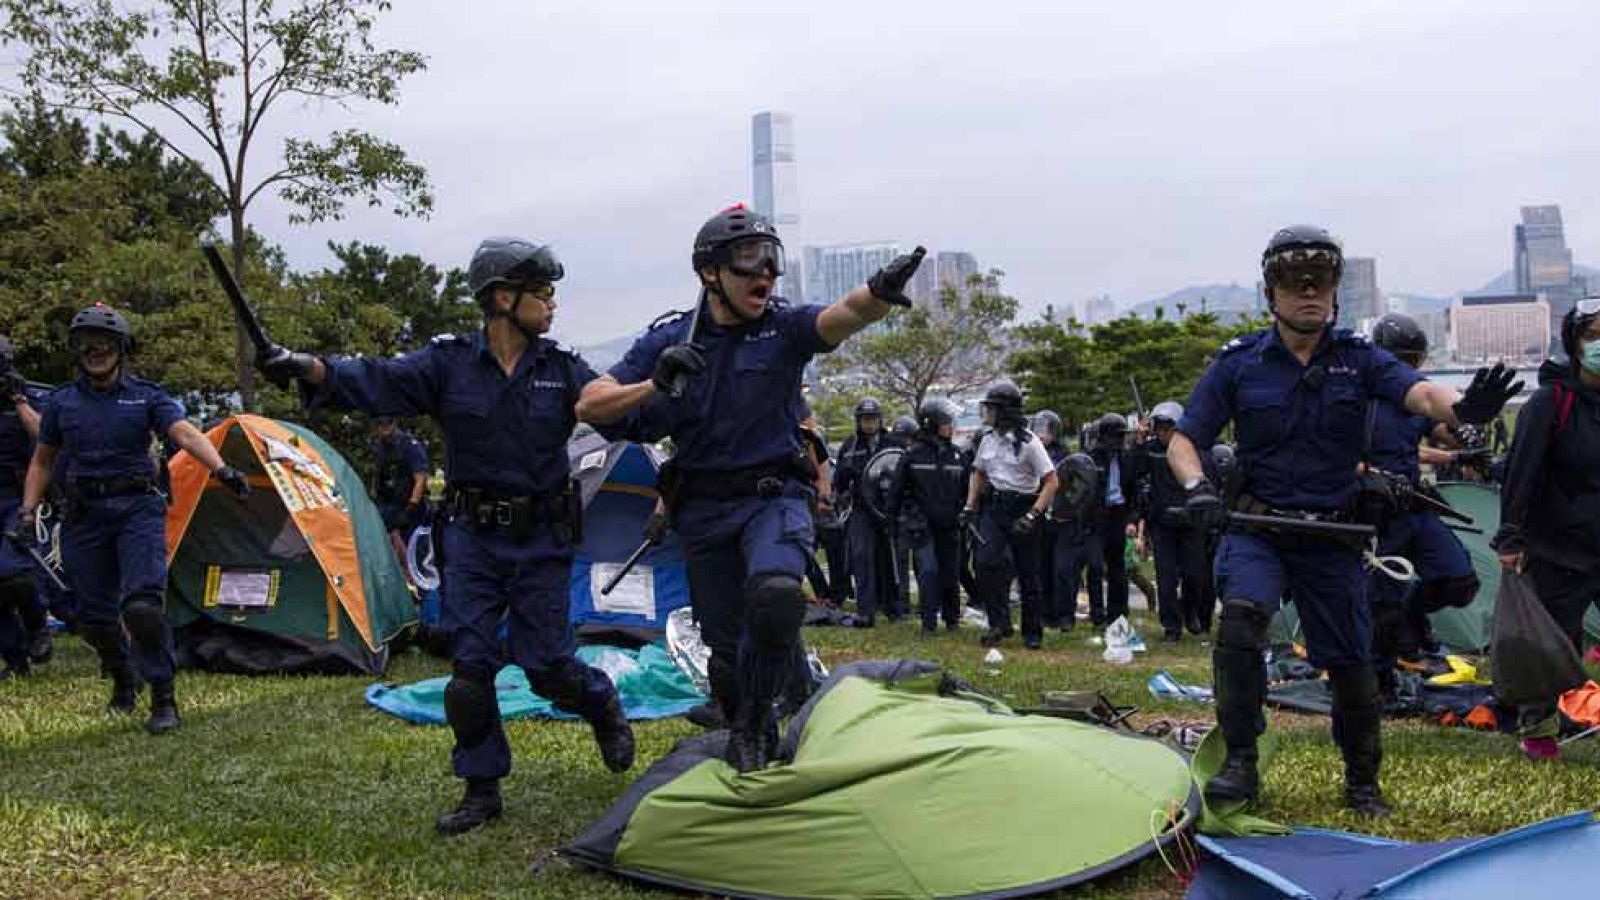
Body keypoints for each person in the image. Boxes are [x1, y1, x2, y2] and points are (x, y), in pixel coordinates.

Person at [257, 237, 638, 835]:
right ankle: (481, 787)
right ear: (503, 298)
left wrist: (658, 388)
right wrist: (308, 366)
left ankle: (600, 704)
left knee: (548, 667)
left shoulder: (561, 367)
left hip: (541, 539)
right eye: (541, 291)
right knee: (470, 671)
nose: (552, 302)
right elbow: (374, 379)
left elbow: (608, 405)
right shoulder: (448, 364)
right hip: (473, 538)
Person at [1167, 225, 1520, 817]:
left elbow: (1421, 395)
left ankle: (1362, 779)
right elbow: (1185, 438)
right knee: (1241, 625)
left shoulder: (1361, 361)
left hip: (1333, 534)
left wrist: (1465, 410)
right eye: (1292, 282)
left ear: (1335, 291)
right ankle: (1241, 763)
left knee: (1353, 660)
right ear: (1270, 292)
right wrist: (1196, 487)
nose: (1308, 292)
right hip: (1260, 528)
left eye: (1321, 282)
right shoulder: (1238, 364)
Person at [575, 204, 923, 771]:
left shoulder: (781, 328)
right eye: (747, 264)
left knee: (777, 596)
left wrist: (878, 294)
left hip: (772, 498)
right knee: (724, 644)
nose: (764, 275)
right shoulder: (669, 338)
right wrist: (653, 383)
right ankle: (746, 721)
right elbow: (592, 404)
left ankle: (759, 717)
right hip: (705, 507)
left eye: (772, 263)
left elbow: (837, 317)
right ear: (710, 272)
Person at [19, 304, 250, 730]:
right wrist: (28, 509)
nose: (96, 350)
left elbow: (182, 432)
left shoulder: (147, 396)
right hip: (83, 514)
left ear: (122, 348)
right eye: (86, 343)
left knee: (142, 607)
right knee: (91, 619)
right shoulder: (61, 404)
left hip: (137, 510)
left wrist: (220, 468)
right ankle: (123, 674)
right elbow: (42, 460)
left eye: (104, 343)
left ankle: (163, 696)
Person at [1494, 298, 1600, 759]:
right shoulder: (1551, 402)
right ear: (1575, 343)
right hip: (1560, 546)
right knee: (1551, 638)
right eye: (1594, 334)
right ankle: (1538, 732)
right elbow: (1522, 470)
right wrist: (1511, 535)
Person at [1364, 314, 1479, 698]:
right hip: (1375, 512)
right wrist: (1371, 473)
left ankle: (1413, 621)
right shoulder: (1357, 400)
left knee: (1459, 580)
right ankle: (1379, 682)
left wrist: (1465, 432)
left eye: (1414, 360)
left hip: (1415, 505)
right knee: (1382, 604)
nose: (1408, 368)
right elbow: (1328, 454)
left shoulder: (1417, 396)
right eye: (1401, 360)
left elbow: (1440, 431)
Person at [961, 380, 1060, 648]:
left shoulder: (1030, 443)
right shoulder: (987, 440)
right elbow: (978, 473)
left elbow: (1051, 481)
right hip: (994, 507)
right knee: (983, 563)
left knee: (1028, 572)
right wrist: (970, 506)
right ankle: (998, 623)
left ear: (1006, 411)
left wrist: (1033, 515)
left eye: (993, 409)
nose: (988, 414)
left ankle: (1032, 632)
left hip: (1024, 507)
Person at [890, 398, 967, 633]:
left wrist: (964, 514)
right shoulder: (913, 455)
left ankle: (952, 620)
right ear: (932, 424)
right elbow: (897, 490)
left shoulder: (958, 455)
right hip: (921, 526)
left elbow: (966, 490)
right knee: (928, 570)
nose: (950, 426)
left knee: (950, 571)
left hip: (950, 525)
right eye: (946, 422)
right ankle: (928, 621)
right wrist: (896, 520)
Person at [1135, 400, 1210, 641]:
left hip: (1191, 523)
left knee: (1194, 574)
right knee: (1166, 578)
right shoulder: (1151, 449)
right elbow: (1132, 471)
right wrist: (1139, 441)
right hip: (1163, 524)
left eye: (1169, 428)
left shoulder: (1192, 448)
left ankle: (1190, 613)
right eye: (1160, 427)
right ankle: (1171, 626)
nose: (1164, 433)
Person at [0, 338, 49, 680]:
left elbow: (47, 437)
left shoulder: (26, 396)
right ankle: (16, 662)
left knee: (13, 571)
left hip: (16, 496)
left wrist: (17, 398)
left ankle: (38, 627)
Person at [835, 398, 894, 627]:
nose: (869, 424)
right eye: (865, 420)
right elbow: (838, 484)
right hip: (860, 509)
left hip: (888, 509)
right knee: (861, 557)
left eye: (873, 419)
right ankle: (865, 609)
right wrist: (845, 475)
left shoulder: (892, 443)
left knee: (889, 559)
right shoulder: (849, 447)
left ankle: (892, 606)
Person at [1089, 412, 1138, 625]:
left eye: (1122, 437)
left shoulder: (1127, 459)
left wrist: (1132, 519)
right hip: (1096, 516)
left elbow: (1134, 492)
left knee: (1118, 566)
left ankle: (1118, 613)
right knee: (1095, 566)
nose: (1120, 442)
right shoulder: (1092, 458)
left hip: (1118, 513)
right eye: (1116, 437)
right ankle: (1097, 613)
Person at [370, 417, 430, 575]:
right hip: (387, 506)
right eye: (380, 424)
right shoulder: (380, 447)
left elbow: (421, 478)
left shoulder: (409, 445)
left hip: (410, 509)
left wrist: (411, 506)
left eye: (387, 423)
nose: (383, 428)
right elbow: (378, 476)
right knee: (389, 556)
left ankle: (421, 591)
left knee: (415, 554)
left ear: (394, 423)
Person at [1031, 410, 1070, 628]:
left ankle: (1061, 612)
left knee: (1061, 568)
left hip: (1059, 516)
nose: (1042, 434)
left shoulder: (1063, 454)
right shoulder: (1031, 451)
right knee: (1041, 566)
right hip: (1037, 514)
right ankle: (1045, 612)